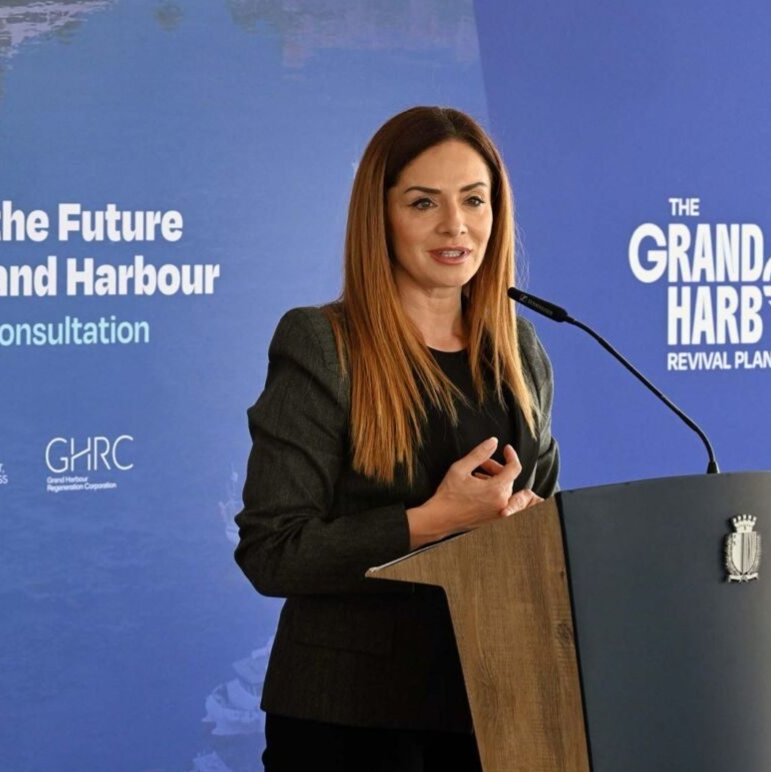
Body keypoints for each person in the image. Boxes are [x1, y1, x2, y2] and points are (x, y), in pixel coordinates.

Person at [234, 106, 560, 772]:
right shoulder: (322, 345)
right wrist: (434, 520)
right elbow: (274, 552)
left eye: (474, 199)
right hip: (351, 722)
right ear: (380, 217)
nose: (455, 225)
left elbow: (545, 517)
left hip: (497, 707)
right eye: (423, 202)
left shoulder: (519, 348)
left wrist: (530, 522)